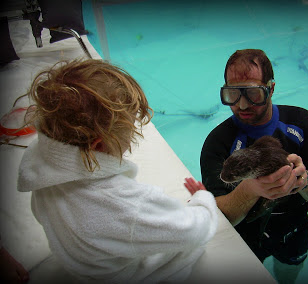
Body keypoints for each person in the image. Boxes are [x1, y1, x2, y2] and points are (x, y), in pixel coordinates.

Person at [17, 59, 218, 283]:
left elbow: (40, 213)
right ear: (99, 145)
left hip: (83, 267)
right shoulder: (126, 203)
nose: (132, 134)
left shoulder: (41, 168)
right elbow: (194, 231)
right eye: (130, 128)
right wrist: (203, 200)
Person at [199, 49, 308, 284]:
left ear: (271, 88)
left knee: (288, 275)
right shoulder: (218, 142)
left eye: (253, 93)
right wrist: (251, 189)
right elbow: (216, 218)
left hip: (295, 230)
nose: (242, 104)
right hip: (245, 238)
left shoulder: (302, 123)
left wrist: (303, 180)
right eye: (233, 94)